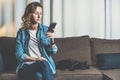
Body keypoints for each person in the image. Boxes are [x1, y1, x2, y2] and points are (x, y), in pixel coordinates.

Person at [15, 2, 58, 80]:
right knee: (42, 63)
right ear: (29, 14)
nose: (39, 16)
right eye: (36, 13)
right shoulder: (21, 33)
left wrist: (52, 40)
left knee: (39, 76)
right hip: (26, 66)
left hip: (42, 66)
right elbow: (19, 54)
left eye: (41, 13)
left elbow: (53, 52)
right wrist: (36, 59)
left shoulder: (45, 30)